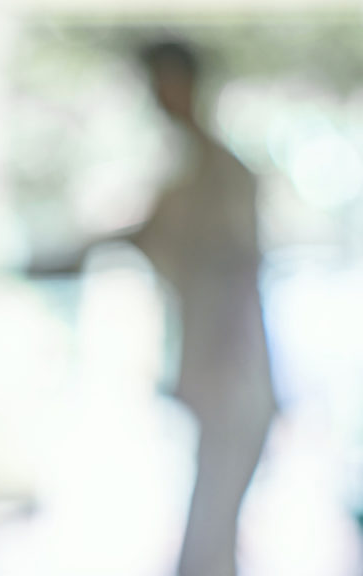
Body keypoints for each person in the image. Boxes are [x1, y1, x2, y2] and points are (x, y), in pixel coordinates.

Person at [34, 40, 275, 575]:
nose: (157, 97)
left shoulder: (222, 175)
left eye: (163, 83)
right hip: (216, 376)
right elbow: (135, 238)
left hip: (233, 376)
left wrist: (222, 368)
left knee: (211, 539)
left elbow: (236, 270)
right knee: (209, 534)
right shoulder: (190, 179)